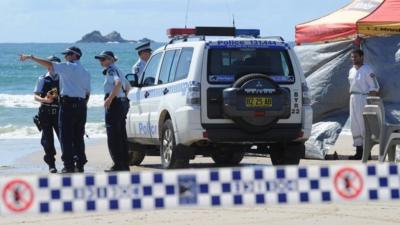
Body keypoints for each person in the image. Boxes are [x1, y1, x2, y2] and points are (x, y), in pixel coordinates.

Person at [20, 46, 91, 173]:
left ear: (75, 55)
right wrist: (81, 106)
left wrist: (31, 57)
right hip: (80, 106)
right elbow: (87, 93)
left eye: (68, 54)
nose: (65, 57)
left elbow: (49, 64)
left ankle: (68, 166)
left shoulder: (68, 67)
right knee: (78, 137)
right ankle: (79, 165)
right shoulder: (85, 72)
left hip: (67, 106)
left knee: (66, 137)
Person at [95, 51, 130, 171]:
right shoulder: (118, 69)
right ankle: (124, 164)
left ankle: (118, 164)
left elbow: (118, 83)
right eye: (100, 59)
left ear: (110, 59)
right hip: (122, 102)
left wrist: (110, 99)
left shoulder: (111, 70)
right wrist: (122, 97)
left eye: (103, 59)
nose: (101, 61)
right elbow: (128, 86)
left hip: (115, 103)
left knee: (113, 136)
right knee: (121, 134)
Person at [348, 49, 380, 160]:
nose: (353, 59)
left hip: (363, 98)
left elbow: (375, 87)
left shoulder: (367, 70)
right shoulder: (351, 70)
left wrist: (370, 101)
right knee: (354, 125)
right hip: (353, 98)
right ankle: (359, 152)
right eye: (352, 57)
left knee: (363, 125)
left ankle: (367, 153)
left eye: (355, 57)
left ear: (362, 57)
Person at [33, 56, 62, 173]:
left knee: (64, 138)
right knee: (47, 140)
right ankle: (51, 164)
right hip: (45, 112)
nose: (52, 67)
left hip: (59, 112)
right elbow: (35, 96)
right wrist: (45, 100)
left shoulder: (64, 78)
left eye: (54, 64)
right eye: (49, 64)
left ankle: (68, 162)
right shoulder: (42, 79)